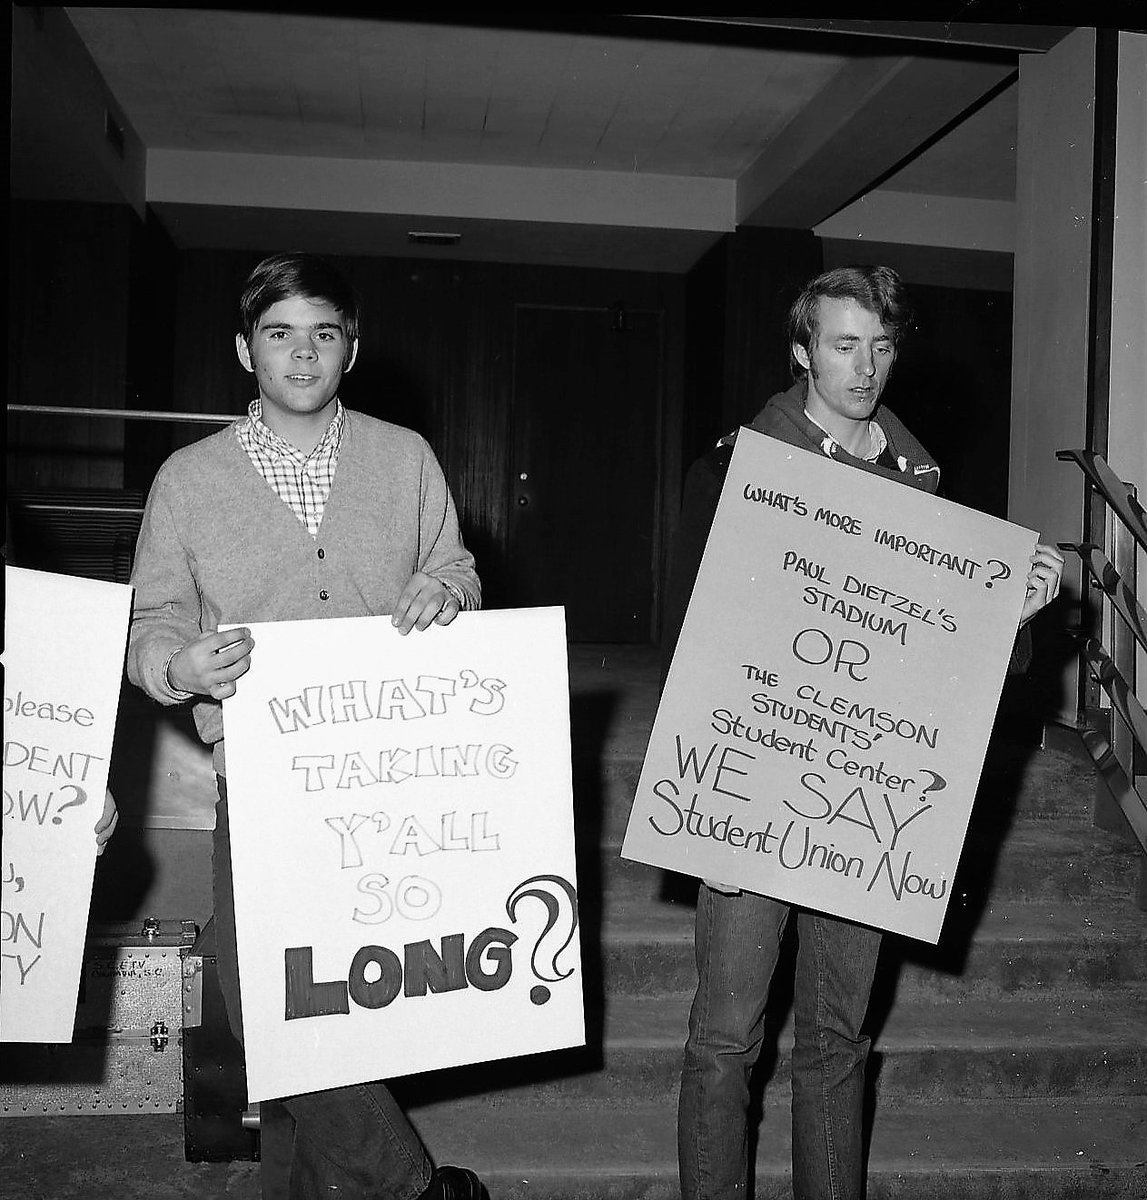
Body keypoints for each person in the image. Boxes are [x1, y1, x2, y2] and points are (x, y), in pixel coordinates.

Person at [666, 265, 1064, 1200]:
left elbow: (944, 668)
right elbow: (696, 647)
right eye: (844, 345)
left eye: (881, 346)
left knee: (836, 1044)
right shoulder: (734, 468)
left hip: (865, 802)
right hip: (752, 792)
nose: (866, 366)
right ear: (801, 350)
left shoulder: (919, 481)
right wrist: (703, 814)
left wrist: (1012, 612)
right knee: (725, 1039)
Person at [126, 253, 486, 1200]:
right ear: (245, 350)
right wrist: (176, 666)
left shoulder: (404, 457)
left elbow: (459, 567)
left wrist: (445, 590)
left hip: (392, 774)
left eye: (323, 334)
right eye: (279, 334)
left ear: (351, 349)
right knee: (263, 1006)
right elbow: (150, 621)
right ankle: (413, 1187)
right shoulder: (189, 478)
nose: (302, 353)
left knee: (353, 1010)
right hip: (266, 776)